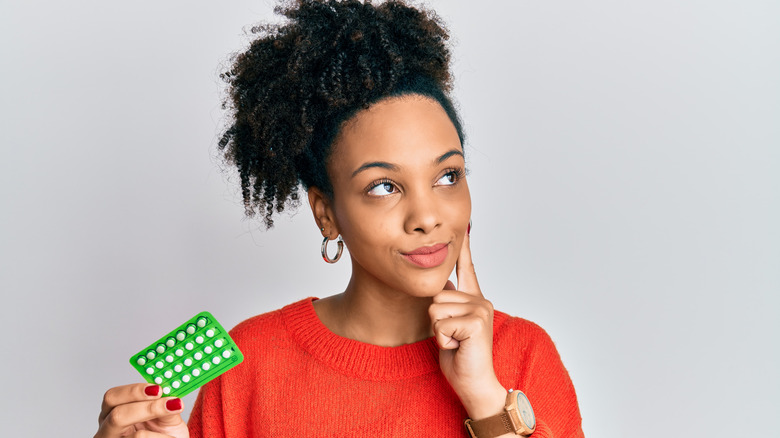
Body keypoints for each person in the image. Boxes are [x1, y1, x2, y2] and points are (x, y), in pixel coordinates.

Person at [94, 1, 584, 437]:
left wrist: (486, 400)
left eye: (448, 176)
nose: (427, 216)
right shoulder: (250, 364)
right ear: (326, 214)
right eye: (384, 187)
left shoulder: (523, 356)